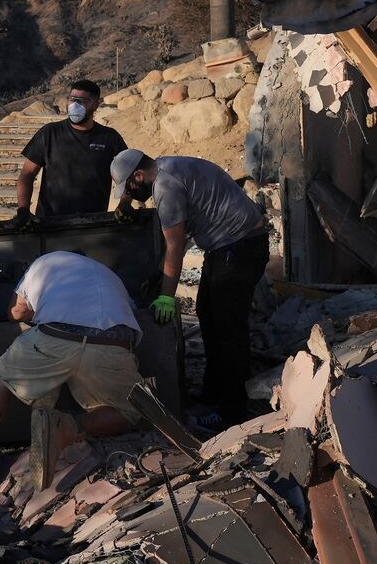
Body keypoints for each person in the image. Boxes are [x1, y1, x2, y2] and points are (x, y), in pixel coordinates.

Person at [111, 149, 268, 428]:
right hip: (228, 246)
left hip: (240, 247)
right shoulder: (165, 167)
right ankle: (213, 391)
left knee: (227, 329)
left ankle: (232, 412)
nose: (133, 195)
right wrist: (124, 203)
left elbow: (175, 246)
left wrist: (166, 297)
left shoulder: (165, 187)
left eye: (131, 189)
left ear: (138, 175)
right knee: (207, 313)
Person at [0, 251, 143, 491]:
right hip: (113, 343)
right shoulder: (108, 274)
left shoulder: (41, 263)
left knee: (2, 379)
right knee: (128, 411)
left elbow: (16, 313)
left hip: (56, 335)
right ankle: (68, 428)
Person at [14, 80, 128, 229]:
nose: (75, 105)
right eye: (72, 99)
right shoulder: (49, 133)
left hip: (93, 227)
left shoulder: (110, 138)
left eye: (82, 101)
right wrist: (23, 209)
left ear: (95, 105)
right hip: (50, 226)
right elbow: (27, 174)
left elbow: (126, 178)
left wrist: (125, 203)